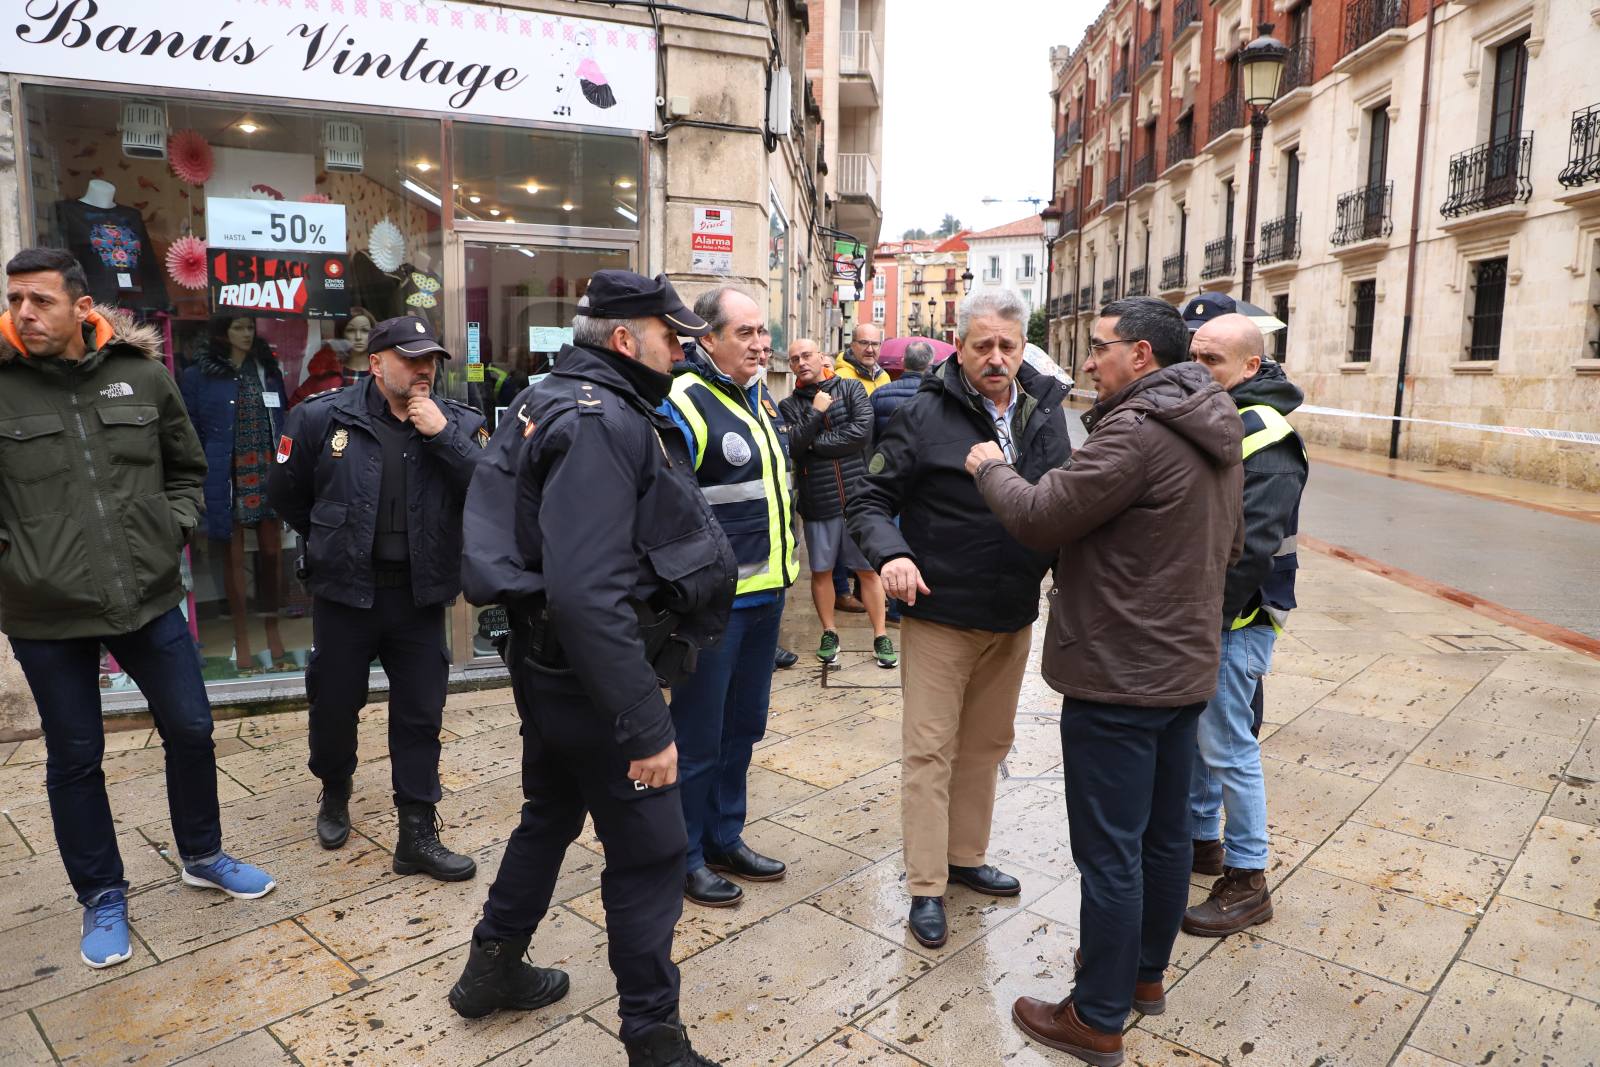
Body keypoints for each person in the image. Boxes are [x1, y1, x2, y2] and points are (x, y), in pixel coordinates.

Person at [450, 271, 734, 1067]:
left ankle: (491, 966)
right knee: (649, 852)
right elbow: (587, 592)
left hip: (552, 669)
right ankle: (654, 1039)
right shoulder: (604, 417)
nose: (681, 350)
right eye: (671, 337)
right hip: (595, 679)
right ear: (623, 339)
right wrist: (646, 724)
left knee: (549, 811)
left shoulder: (553, 395)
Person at [967, 297, 1242, 1064]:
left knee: (1110, 853)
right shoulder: (1213, 423)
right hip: (1183, 670)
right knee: (1161, 839)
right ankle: (1143, 976)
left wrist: (993, 466)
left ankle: (1095, 1015)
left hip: (1121, 676)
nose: (1090, 361)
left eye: (1100, 348)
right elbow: (1232, 542)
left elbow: (1039, 513)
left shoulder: (1136, 430)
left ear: (1143, 357)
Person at [0, 248, 276, 971]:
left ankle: (203, 853)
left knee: (191, 727)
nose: (24, 312)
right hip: (45, 610)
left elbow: (187, 466)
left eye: (40, 300)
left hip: (147, 593)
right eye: (15, 298)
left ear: (81, 306)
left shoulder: (142, 376)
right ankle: (102, 894)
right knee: (76, 757)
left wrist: (172, 527)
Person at [849, 288, 1071, 949]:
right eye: (983, 345)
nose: (996, 357)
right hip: (940, 612)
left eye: (1008, 344)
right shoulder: (923, 412)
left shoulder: (1045, 412)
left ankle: (965, 856)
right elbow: (867, 497)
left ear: (1021, 344)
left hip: (1011, 613)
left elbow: (1063, 499)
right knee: (929, 752)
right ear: (960, 342)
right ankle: (925, 885)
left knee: (985, 748)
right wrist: (890, 553)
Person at [267, 315, 484, 880]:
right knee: (335, 705)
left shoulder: (457, 422)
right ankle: (334, 789)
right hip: (344, 596)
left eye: (430, 359)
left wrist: (442, 435)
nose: (423, 369)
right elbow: (288, 495)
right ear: (376, 363)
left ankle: (416, 831)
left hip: (417, 599)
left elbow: (489, 491)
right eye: (410, 359)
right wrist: (331, 545)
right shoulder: (320, 417)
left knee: (420, 715)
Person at [663, 286, 799, 908]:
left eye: (762, 331)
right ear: (706, 339)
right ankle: (684, 855)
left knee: (743, 727)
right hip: (715, 607)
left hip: (766, 594)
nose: (760, 343)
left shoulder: (758, 399)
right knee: (698, 736)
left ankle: (724, 835)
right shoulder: (684, 401)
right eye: (744, 333)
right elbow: (673, 509)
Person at [1183, 313, 1308, 937]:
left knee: (1229, 745)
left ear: (1251, 367)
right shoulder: (1224, 416)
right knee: (1207, 740)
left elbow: (1251, 547)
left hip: (1241, 615)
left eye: (1214, 362)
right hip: (1219, 615)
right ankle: (1204, 841)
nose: (1199, 370)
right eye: (1194, 356)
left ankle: (1249, 876)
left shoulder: (1266, 433)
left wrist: (1205, 619)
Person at [180, 316, 291, 672]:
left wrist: (288, 468)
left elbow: (284, 421)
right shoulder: (199, 375)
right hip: (226, 475)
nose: (246, 334)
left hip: (268, 469)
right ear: (222, 332)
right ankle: (241, 639)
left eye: (250, 327)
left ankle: (274, 634)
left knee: (273, 556)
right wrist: (198, 477)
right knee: (231, 559)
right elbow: (189, 429)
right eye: (238, 327)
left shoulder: (268, 371)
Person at [780, 341, 896, 669]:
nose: (800, 362)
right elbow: (795, 446)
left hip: (858, 496)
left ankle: (880, 634)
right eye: (793, 360)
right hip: (819, 499)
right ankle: (829, 631)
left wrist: (815, 445)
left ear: (821, 357)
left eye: (806, 356)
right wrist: (816, 412)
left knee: (868, 571)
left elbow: (860, 433)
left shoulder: (851, 389)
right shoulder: (789, 405)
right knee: (822, 571)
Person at [869, 339, 932, 439]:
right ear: (929, 365)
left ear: (903, 362)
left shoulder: (878, 395)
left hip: (886, 453)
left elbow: (869, 436)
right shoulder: (938, 396)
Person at [832, 321, 889, 393]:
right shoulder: (840, 378)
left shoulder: (884, 377)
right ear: (852, 345)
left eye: (875, 344)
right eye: (864, 343)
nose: (870, 350)